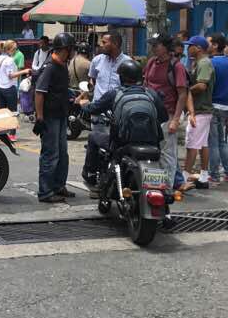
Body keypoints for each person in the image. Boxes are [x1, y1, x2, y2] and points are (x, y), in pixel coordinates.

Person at [80, 57, 168, 196]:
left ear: (121, 78)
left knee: (93, 137)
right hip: (152, 144)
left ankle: (90, 175)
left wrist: (83, 104)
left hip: (122, 143)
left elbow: (93, 109)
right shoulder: (151, 93)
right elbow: (164, 117)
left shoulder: (115, 94)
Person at [33, 33, 76, 203]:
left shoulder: (62, 64)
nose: (74, 52)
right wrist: (40, 117)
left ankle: (59, 185)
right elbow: (39, 92)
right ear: (66, 49)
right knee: (50, 154)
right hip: (50, 117)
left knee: (62, 154)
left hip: (60, 115)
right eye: (72, 49)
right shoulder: (50, 66)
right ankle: (45, 191)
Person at [142, 34, 188, 190]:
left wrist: (175, 119)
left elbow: (182, 94)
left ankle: (166, 188)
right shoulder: (151, 63)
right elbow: (145, 84)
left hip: (167, 115)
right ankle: (154, 185)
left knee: (167, 154)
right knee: (151, 152)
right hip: (149, 115)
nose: (153, 47)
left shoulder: (176, 67)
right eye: (152, 44)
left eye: (157, 45)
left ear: (166, 47)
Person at [85, 32, 130, 184]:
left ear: (115, 44)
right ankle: (97, 179)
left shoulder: (127, 63)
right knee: (97, 147)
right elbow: (92, 79)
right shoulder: (97, 60)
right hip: (99, 113)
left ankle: (115, 180)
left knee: (115, 149)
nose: (101, 45)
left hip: (117, 115)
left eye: (105, 42)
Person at [183, 35, 214, 189]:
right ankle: (203, 177)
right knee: (202, 144)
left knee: (192, 144)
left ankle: (184, 177)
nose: (188, 48)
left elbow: (202, 85)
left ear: (199, 48)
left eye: (190, 45)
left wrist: (186, 90)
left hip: (200, 109)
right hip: (202, 109)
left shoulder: (204, 63)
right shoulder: (198, 63)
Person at [208, 34, 228, 183]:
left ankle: (213, 174)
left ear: (215, 45)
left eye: (208, 42)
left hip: (212, 106)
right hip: (225, 106)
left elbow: (209, 87)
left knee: (213, 142)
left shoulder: (210, 63)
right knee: (222, 141)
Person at [0, 40, 30, 141]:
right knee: (13, 112)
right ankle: (11, 134)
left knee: (2, 111)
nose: (15, 50)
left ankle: (3, 133)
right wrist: (24, 71)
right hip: (9, 88)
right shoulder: (10, 60)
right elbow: (11, 75)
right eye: (14, 49)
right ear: (9, 49)